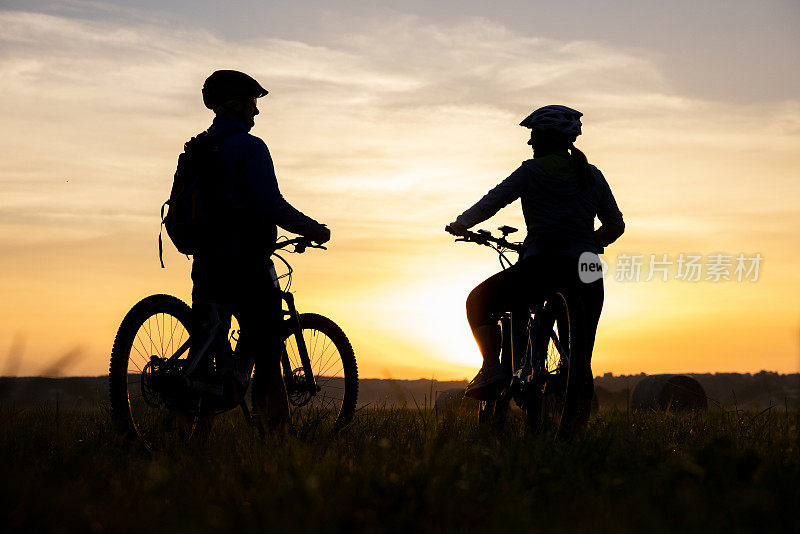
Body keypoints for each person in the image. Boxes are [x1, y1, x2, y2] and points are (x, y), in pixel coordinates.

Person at [446, 105, 624, 431]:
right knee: (581, 356)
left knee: (478, 302)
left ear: (545, 139)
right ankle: (573, 430)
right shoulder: (593, 175)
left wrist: (462, 223)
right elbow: (615, 225)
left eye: (533, 135)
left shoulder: (532, 171)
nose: (530, 142)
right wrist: (588, 244)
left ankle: (492, 368)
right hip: (587, 270)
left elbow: (493, 200)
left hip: (543, 264)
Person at [191, 70, 330, 430]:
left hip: (206, 261)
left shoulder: (198, 148)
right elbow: (273, 205)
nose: (256, 111)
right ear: (236, 104)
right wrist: (313, 229)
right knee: (268, 351)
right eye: (253, 102)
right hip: (246, 263)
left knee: (206, 356)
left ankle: (191, 441)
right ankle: (279, 443)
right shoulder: (250, 147)